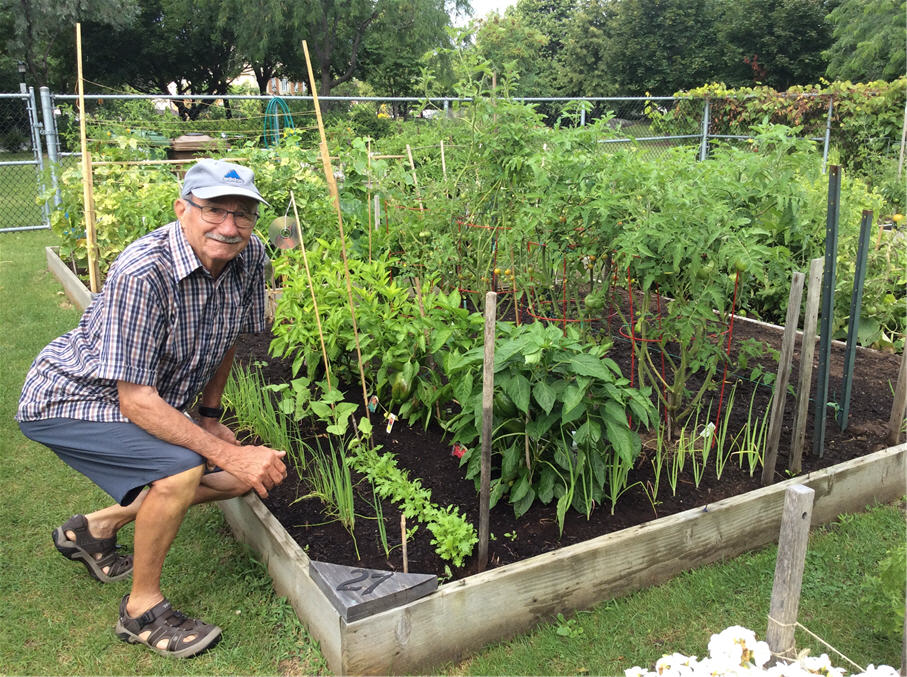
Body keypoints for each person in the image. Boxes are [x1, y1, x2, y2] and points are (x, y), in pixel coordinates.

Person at [16, 158, 288, 659]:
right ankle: (141, 610)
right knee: (184, 471)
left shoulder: (249, 259)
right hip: (70, 397)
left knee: (242, 476)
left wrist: (209, 417)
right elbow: (134, 399)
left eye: (243, 214)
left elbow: (226, 340)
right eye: (214, 210)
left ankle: (95, 529)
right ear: (183, 208)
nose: (229, 227)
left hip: (143, 397)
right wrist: (218, 450)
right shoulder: (144, 271)